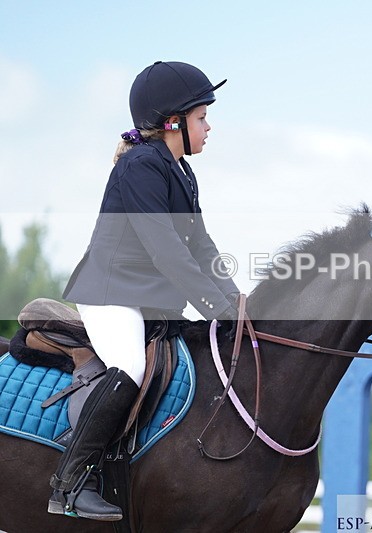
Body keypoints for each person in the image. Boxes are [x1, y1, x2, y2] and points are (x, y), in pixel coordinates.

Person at [50, 61, 240, 521]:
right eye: (201, 117)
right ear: (174, 122)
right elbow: (168, 252)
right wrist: (216, 307)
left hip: (148, 301)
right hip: (111, 296)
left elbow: (201, 246)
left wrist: (237, 302)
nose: (209, 126)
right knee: (131, 364)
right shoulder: (140, 166)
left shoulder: (182, 173)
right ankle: (70, 483)